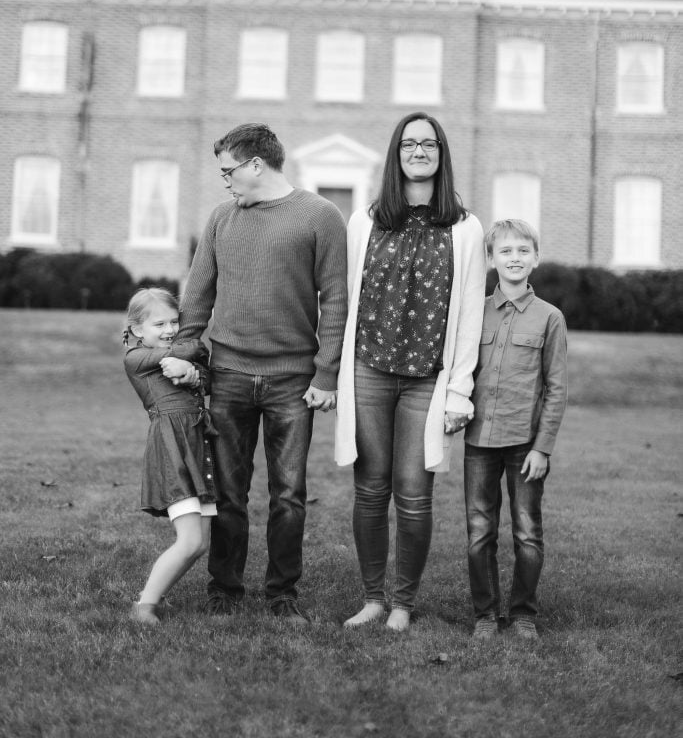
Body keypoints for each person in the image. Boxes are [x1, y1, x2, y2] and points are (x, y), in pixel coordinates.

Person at [177, 122, 347, 626]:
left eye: (229, 170)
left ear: (257, 164)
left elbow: (336, 298)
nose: (225, 180)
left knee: (288, 495)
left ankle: (281, 594)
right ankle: (224, 590)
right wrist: (187, 352)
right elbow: (197, 294)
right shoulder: (220, 219)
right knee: (228, 493)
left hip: (293, 381)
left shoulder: (320, 216)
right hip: (228, 374)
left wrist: (326, 375)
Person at [335, 112, 486, 632]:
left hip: (428, 377)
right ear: (395, 153)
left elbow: (470, 314)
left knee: (414, 493)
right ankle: (373, 598)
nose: (418, 151)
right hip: (369, 370)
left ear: (442, 154)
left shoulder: (465, 229)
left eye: (428, 144)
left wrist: (459, 391)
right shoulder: (366, 220)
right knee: (371, 489)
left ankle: (402, 603)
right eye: (408, 143)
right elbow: (346, 302)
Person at [464, 219, 568, 643]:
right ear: (491, 259)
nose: (514, 258)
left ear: (536, 259)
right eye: (505, 251)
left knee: (527, 532)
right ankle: (485, 614)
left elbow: (557, 388)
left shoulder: (550, 318)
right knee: (479, 530)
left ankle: (523, 612)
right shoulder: (474, 311)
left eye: (523, 251)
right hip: (478, 443)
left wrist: (542, 449)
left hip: (525, 445)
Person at [123, 287, 217, 626]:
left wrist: (193, 372)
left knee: (198, 543)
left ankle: (155, 598)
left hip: (196, 446)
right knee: (190, 539)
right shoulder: (136, 358)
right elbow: (192, 347)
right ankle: (144, 605)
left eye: (175, 322)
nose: (169, 330)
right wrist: (188, 358)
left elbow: (205, 376)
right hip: (172, 448)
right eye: (159, 323)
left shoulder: (174, 354)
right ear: (136, 330)